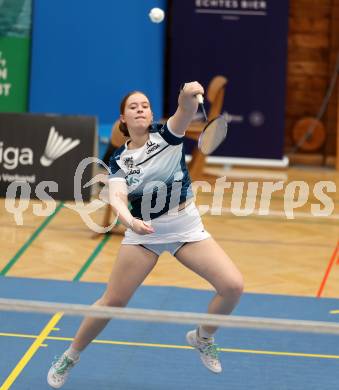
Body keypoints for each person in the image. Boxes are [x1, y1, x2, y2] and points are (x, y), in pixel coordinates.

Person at [47, 82, 243, 388]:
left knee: (232, 286)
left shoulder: (168, 135)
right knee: (113, 300)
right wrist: (130, 223)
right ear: (123, 119)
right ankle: (71, 355)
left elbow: (186, 108)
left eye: (145, 105)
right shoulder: (119, 161)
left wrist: (190, 92)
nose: (141, 109)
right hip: (144, 234)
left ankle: (203, 336)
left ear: (151, 113)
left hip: (185, 227)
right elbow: (117, 199)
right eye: (133, 107)